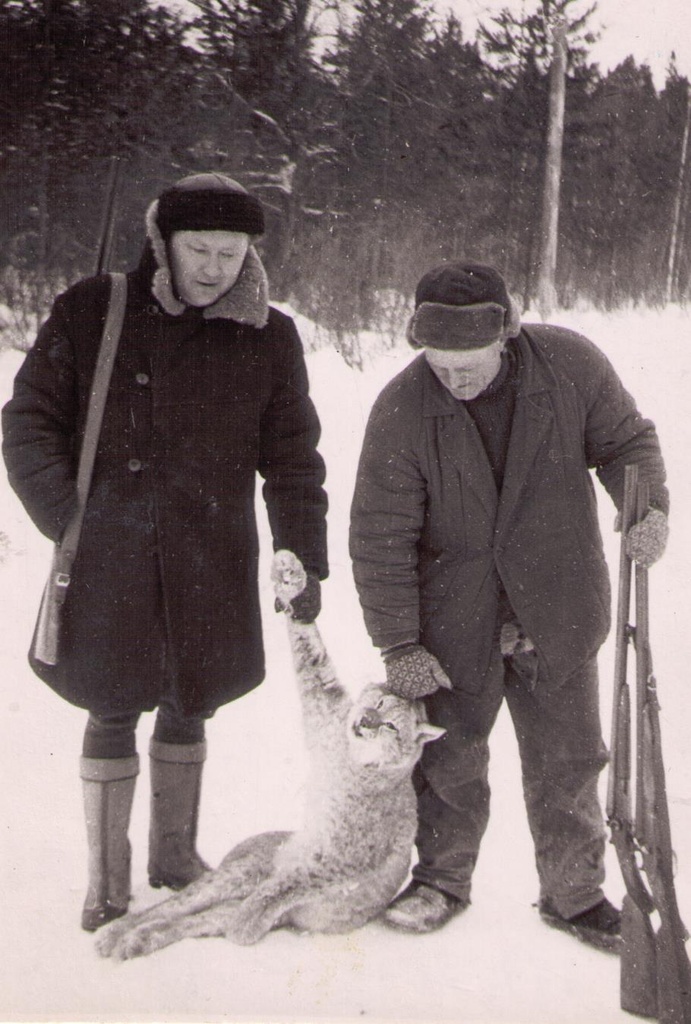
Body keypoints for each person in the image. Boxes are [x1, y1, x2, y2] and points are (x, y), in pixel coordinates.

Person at [2, 172, 328, 931]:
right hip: (110, 551)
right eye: (199, 249)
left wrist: (299, 552)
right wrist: (70, 519)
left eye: (231, 250)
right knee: (109, 700)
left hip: (210, 548)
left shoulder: (269, 334)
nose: (215, 267)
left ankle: (174, 857)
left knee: (192, 695)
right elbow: (27, 424)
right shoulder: (93, 309)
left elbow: (292, 457)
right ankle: (106, 881)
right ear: (163, 243)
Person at [349, 261, 668, 951]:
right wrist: (399, 645)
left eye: (469, 362)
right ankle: (440, 879)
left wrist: (646, 507)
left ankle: (574, 893)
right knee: (450, 759)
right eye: (439, 363)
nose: (455, 377)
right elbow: (379, 535)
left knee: (569, 758)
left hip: (557, 601)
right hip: (454, 615)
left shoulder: (568, 364)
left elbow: (625, 441)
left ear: (506, 335)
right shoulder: (401, 409)